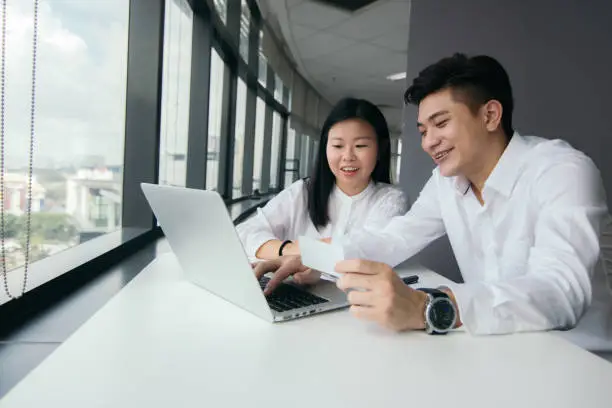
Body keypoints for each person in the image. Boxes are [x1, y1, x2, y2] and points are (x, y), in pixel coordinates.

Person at [255, 53, 612, 353]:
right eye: (423, 130)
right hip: (493, 347)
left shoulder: (562, 171)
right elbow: (396, 236)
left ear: (490, 115)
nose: (428, 143)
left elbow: (560, 291)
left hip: (575, 360)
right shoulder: (446, 182)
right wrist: (316, 254)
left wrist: (433, 306)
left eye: (440, 124)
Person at [238, 97, 408, 291]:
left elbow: (369, 248)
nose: (348, 156)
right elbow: (245, 232)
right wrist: (289, 251)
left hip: (355, 303)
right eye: (337, 146)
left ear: (380, 149)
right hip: (290, 291)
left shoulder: (391, 199)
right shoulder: (303, 191)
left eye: (360, 146)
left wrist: (310, 258)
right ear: (325, 148)